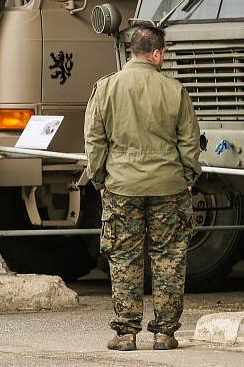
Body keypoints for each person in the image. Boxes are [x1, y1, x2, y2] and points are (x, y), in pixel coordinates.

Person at [84, 26, 202, 351]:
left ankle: (125, 333)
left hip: (121, 186)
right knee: (169, 258)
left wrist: (99, 179)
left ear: (130, 51)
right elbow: (189, 141)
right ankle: (164, 333)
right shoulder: (175, 90)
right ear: (156, 53)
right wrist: (188, 177)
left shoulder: (105, 88)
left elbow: (94, 141)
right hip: (169, 186)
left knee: (123, 257)